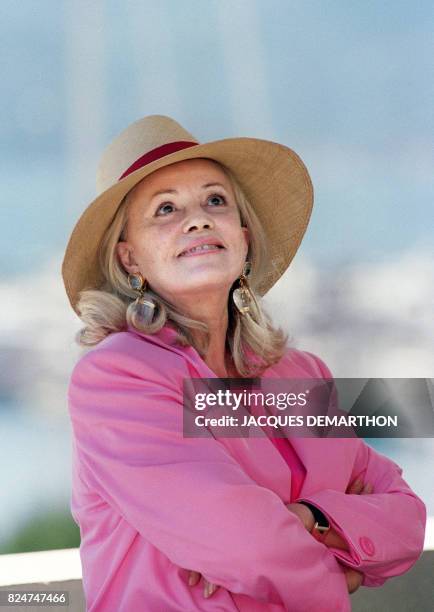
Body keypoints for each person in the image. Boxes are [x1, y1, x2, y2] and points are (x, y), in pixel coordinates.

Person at [62, 115, 426, 611]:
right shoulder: (120, 377)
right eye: (165, 209)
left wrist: (309, 517)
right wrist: (338, 564)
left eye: (216, 200)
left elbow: (405, 516)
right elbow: (241, 540)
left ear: (244, 236)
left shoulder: (300, 374)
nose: (198, 219)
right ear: (130, 259)